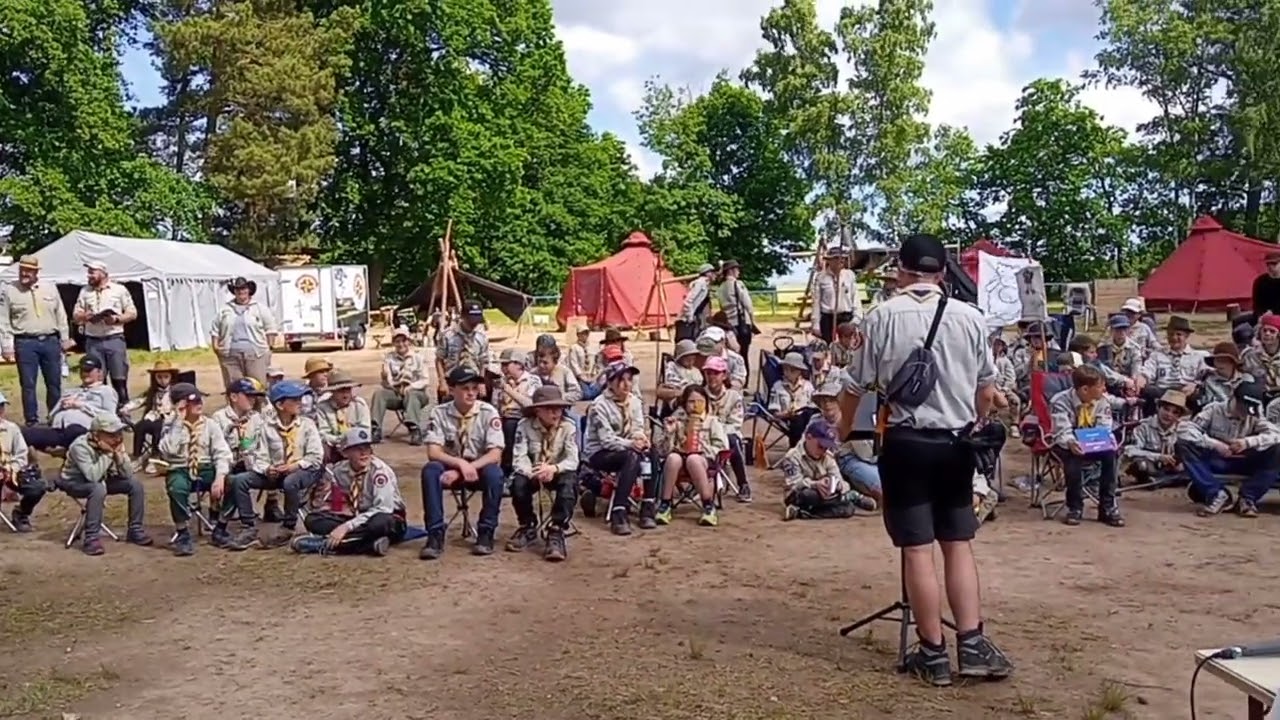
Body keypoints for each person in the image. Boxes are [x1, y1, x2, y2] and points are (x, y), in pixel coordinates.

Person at [840, 232, 1012, 687]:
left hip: (906, 443)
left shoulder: (880, 317)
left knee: (917, 549)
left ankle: (933, 653)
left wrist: (845, 432)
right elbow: (986, 393)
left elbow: (855, 387)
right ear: (942, 272)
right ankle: (972, 645)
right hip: (956, 445)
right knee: (957, 544)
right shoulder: (971, 318)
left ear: (901, 269)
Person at [420, 365, 506, 559]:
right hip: (450, 465)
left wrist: (465, 468)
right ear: (452, 390)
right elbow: (433, 452)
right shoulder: (439, 413)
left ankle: (486, 532)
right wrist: (459, 464)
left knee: (496, 474)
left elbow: (495, 454)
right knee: (430, 470)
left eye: (474, 388)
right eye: (465, 388)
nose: (471, 393)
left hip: (478, 467)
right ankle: (434, 534)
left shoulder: (488, 412)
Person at [290, 427, 408, 556]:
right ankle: (369, 544)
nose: (364, 453)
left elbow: (383, 508)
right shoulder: (339, 471)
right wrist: (332, 508)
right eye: (358, 449)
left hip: (387, 517)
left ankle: (325, 545)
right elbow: (336, 503)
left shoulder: (380, 472)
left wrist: (346, 527)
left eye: (367, 448)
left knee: (379, 524)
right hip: (356, 517)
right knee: (313, 520)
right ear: (345, 453)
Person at [243, 379, 326, 548]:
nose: (300, 403)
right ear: (280, 405)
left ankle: (288, 525)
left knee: (291, 481)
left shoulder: (307, 424)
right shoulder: (263, 425)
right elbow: (255, 451)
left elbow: (316, 456)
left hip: (304, 469)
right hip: (274, 471)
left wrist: (294, 466)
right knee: (239, 479)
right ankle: (248, 526)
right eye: (295, 400)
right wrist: (267, 468)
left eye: (300, 399)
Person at [1179, 381, 1280, 517]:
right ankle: (1217, 494)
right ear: (1233, 397)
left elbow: (1276, 435)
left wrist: (1247, 442)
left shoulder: (1255, 415)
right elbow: (1185, 430)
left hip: (1245, 461)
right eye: (1242, 407)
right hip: (1217, 459)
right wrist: (1214, 444)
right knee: (1184, 444)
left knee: (1276, 450)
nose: (1245, 413)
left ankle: (1248, 498)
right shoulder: (1214, 409)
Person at [56, 414, 152, 555]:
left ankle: (135, 530)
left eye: (119, 433)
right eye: (111, 434)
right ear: (96, 435)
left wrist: (120, 458)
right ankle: (91, 538)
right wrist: (108, 455)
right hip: (75, 482)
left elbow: (127, 474)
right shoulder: (80, 447)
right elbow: (92, 476)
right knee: (97, 489)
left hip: (103, 478)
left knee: (135, 484)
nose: (117, 438)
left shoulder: (116, 444)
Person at [157, 382, 233, 556]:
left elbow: (222, 452)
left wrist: (220, 476)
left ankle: (220, 526)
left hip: (206, 467)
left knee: (234, 482)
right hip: (181, 467)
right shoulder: (170, 426)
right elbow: (168, 451)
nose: (199, 404)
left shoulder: (210, 425)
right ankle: (182, 532)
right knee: (176, 486)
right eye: (193, 401)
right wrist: (178, 421)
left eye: (200, 400)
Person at [505, 385, 579, 561]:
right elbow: (519, 457)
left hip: (556, 471)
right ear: (538, 410)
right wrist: (533, 472)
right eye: (550, 409)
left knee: (570, 482)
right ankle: (527, 525)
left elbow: (573, 459)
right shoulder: (524, 426)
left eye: (559, 409)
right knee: (517, 483)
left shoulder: (568, 427)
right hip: (534, 471)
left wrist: (554, 469)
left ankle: (557, 530)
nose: (556, 414)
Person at [581, 361, 653, 535]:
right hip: (600, 453)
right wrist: (631, 444)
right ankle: (618, 511)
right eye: (621, 379)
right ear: (611, 382)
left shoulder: (634, 401)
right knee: (632, 456)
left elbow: (637, 426)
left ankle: (648, 504)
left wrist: (641, 439)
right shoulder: (599, 406)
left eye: (629, 379)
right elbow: (606, 440)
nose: (627, 384)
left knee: (651, 453)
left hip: (628, 449)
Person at [0, 255, 72, 426]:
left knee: (54, 382)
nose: (24, 273)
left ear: (36, 272)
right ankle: (31, 420)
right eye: (22, 270)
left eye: (28, 271)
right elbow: (4, 321)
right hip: (25, 342)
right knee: (28, 384)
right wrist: (7, 346)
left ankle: (56, 417)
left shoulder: (50, 288)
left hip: (50, 341)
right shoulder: (10, 291)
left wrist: (65, 338)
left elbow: (60, 314)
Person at [1048, 366, 1124, 527]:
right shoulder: (1060, 401)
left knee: (1111, 454)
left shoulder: (1102, 402)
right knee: (1073, 456)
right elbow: (1061, 431)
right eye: (1100, 386)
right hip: (1066, 442)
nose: (1104, 389)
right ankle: (1075, 507)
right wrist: (1071, 442)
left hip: (1092, 441)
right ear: (1084, 389)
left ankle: (1107, 507)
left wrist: (1104, 441)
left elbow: (1104, 427)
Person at [654, 385, 729, 527]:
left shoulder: (712, 421)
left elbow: (721, 447)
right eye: (691, 401)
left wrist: (700, 447)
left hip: (704, 460)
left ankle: (708, 505)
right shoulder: (677, 421)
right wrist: (669, 433)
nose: (695, 405)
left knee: (693, 459)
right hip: (680, 459)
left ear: (706, 402)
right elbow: (662, 451)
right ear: (684, 404)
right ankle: (665, 504)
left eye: (700, 401)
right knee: (673, 458)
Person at [73, 260, 137, 404]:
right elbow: (76, 315)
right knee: (97, 379)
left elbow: (132, 313)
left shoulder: (119, 290)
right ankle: (101, 409)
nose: (89, 275)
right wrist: (85, 316)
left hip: (114, 338)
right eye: (88, 272)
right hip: (93, 340)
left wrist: (116, 319)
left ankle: (123, 409)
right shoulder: (84, 291)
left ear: (103, 273)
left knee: (119, 377)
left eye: (92, 272)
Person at [23, 355, 118, 451]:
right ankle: (56, 450)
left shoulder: (106, 391)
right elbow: (51, 416)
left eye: (88, 371)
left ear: (99, 373)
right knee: (25, 433)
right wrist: (62, 406)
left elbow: (111, 418)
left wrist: (80, 405)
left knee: (74, 430)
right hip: (59, 430)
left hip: (85, 432)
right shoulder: (71, 391)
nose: (85, 373)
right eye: (82, 370)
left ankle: (64, 448)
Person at [779, 420, 858, 520]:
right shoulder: (792, 457)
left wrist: (837, 486)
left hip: (825, 497)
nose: (823, 450)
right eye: (820, 446)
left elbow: (842, 482)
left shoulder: (828, 457)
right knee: (809, 495)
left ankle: (802, 513)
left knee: (848, 509)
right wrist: (815, 484)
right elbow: (793, 484)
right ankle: (852, 497)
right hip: (800, 495)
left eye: (826, 447)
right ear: (808, 437)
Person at [210, 276, 278, 388]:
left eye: (244, 289)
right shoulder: (225, 309)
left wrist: (269, 348)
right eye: (238, 289)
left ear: (249, 290)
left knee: (257, 384)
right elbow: (215, 329)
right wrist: (216, 347)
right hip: (230, 353)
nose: (241, 292)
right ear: (234, 292)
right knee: (234, 386)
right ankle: (236, 405)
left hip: (255, 352)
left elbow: (270, 328)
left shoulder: (259, 308)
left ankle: (259, 405)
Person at [702, 356, 751, 502]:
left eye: (715, 373)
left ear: (724, 375)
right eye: (708, 373)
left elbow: (735, 423)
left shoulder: (734, 397)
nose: (711, 377)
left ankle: (743, 484)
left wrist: (717, 430)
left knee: (733, 440)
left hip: (727, 434)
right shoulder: (700, 395)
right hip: (704, 436)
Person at [371, 327, 431, 445]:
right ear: (394, 343)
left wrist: (411, 387)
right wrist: (386, 380)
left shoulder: (418, 358)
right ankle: (375, 429)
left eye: (404, 341)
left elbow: (425, 380)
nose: (401, 344)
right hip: (397, 393)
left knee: (411, 394)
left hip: (418, 394)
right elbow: (387, 382)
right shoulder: (389, 358)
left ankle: (415, 430)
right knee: (379, 393)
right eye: (397, 341)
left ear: (409, 341)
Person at [1137, 316, 1208, 413]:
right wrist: (1142, 377)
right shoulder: (1157, 355)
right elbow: (1147, 370)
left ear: (1186, 336)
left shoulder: (1199, 356)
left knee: (1201, 393)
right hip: (1162, 392)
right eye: (1171, 334)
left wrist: (1196, 385)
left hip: (1186, 393)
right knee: (1147, 391)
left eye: (1179, 335)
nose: (1174, 338)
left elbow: (1208, 375)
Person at [1123, 389, 1194, 486]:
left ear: (1179, 416)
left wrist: (1178, 462)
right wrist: (1158, 457)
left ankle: (1159, 481)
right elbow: (1130, 451)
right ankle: (1164, 480)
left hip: (1172, 469)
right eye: (1166, 409)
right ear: (1158, 408)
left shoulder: (1183, 429)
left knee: (1192, 468)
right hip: (1150, 465)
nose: (1169, 414)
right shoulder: (1144, 426)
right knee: (1141, 465)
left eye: (1175, 412)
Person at [492, 347, 543, 478]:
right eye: (501, 364)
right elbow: (494, 406)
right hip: (503, 418)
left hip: (525, 418)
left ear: (519, 364)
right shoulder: (501, 381)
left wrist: (508, 390)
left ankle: (508, 470)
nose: (503, 368)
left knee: (510, 425)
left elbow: (530, 404)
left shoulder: (533, 381)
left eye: (506, 364)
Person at [0, 391, 43, 531]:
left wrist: (11, 469)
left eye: (2, 406)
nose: (0, 410)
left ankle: (21, 513)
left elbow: (21, 454)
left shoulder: (11, 429)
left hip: (10, 470)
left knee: (37, 486)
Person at [126, 359, 180, 465]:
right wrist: (126, 408)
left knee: (158, 428)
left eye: (166, 377)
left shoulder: (175, 391)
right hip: (153, 417)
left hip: (169, 419)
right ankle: (137, 455)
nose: (162, 380)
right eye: (159, 377)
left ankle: (155, 455)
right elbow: (139, 401)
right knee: (139, 426)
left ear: (171, 377)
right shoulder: (152, 391)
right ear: (154, 378)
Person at [434, 300, 490, 401]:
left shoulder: (481, 338)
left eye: (477, 320)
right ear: (463, 316)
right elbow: (439, 360)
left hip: (473, 380)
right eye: (471, 320)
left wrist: (482, 382)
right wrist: (442, 381)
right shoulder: (448, 335)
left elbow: (483, 361)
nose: (474, 323)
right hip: (452, 380)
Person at [313, 369, 371, 461]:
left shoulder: (359, 405)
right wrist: (340, 440)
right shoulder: (323, 407)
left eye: (348, 390)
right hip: (334, 446)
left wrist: (349, 439)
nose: (345, 395)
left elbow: (365, 430)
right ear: (332, 392)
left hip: (356, 444)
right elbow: (323, 433)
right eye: (340, 391)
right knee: (322, 451)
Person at [810, 247, 860, 343]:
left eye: (843, 258)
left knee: (848, 348)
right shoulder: (821, 277)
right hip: (828, 319)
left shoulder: (849, 275)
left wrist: (856, 319)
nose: (840, 260)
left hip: (846, 318)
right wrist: (815, 324)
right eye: (836, 258)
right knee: (829, 348)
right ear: (829, 260)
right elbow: (816, 302)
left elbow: (855, 298)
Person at [768, 352, 817, 447]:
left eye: (792, 370)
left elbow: (814, 405)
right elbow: (774, 413)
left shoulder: (808, 386)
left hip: (808, 417)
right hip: (788, 419)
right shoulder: (778, 387)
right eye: (785, 369)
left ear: (799, 371)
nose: (787, 372)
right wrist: (786, 414)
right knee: (797, 420)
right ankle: (797, 447)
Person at [716, 259, 757, 372]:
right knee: (743, 354)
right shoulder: (738, 284)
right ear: (731, 271)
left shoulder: (721, 287)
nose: (739, 271)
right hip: (741, 323)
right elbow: (748, 304)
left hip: (728, 325)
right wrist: (753, 322)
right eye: (737, 269)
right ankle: (744, 378)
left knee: (731, 353)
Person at [675, 263, 717, 342]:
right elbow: (689, 300)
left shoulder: (705, 284)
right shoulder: (700, 283)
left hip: (698, 318)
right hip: (692, 318)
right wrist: (689, 317)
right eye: (713, 272)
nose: (715, 275)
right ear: (708, 273)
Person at [1243, 314, 1280, 396]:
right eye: (1264, 330)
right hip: (1260, 396)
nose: (1267, 334)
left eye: (1272, 331)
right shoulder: (1250, 356)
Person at [565, 325, 598, 400]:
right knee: (587, 395)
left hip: (591, 375)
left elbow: (595, 362)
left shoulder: (592, 347)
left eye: (586, 334)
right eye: (582, 334)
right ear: (578, 335)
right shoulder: (574, 348)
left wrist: (594, 375)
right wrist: (581, 376)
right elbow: (574, 363)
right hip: (580, 377)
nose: (584, 336)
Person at [1252, 252, 1280, 318]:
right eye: (1268, 264)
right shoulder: (1260, 281)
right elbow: (1256, 304)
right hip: (1262, 316)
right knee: (1239, 323)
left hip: (1277, 315)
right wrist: (1260, 315)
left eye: (1274, 264)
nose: (1270, 267)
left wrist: (1273, 312)